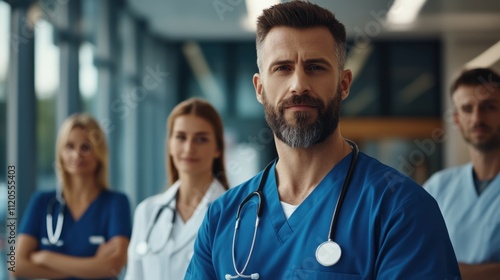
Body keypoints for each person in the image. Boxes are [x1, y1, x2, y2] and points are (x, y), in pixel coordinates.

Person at [185, 1, 461, 279]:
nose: (299, 85)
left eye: (315, 67)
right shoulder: (222, 217)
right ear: (259, 88)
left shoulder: (401, 209)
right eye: (282, 68)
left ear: (343, 84)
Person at [12, 113, 131, 279]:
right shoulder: (41, 202)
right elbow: (16, 265)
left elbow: (113, 266)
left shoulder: (116, 203)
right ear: (60, 152)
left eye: (86, 147)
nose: (76, 154)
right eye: (69, 146)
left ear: (99, 153)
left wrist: (45, 257)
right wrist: (92, 266)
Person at [125, 98, 229, 280]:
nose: (189, 148)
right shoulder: (147, 211)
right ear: (170, 144)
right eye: (181, 137)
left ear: (217, 148)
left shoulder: (233, 213)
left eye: (201, 139)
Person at [424, 68, 500, 279]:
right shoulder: (438, 187)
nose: (477, 118)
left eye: (489, 107)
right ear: (456, 119)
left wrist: (446, 271)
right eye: (467, 108)